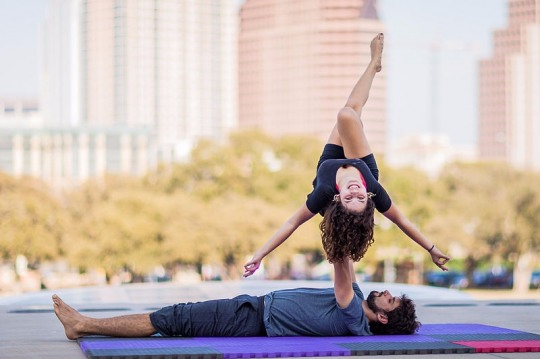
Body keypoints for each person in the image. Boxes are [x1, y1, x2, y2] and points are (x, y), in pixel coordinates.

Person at [244, 33, 450, 278]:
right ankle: (373, 64)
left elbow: (291, 224)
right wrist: (432, 249)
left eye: (349, 198)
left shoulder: (323, 193)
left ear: (337, 199)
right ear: (368, 196)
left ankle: (374, 64)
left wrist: (259, 255)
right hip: (361, 165)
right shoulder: (372, 187)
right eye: (359, 198)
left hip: (329, 164)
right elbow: (403, 221)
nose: (355, 192)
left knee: (349, 112)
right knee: (348, 113)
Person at [52, 257, 420, 339]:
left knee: (174, 318)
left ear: (383, 318)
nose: (387, 292)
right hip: (253, 307)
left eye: (391, 300)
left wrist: (338, 210)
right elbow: (349, 266)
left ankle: (82, 325)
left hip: (249, 319)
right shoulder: (358, 296)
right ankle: (83, 323)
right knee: (175, 316)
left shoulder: (354, 318)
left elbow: (341, 264)